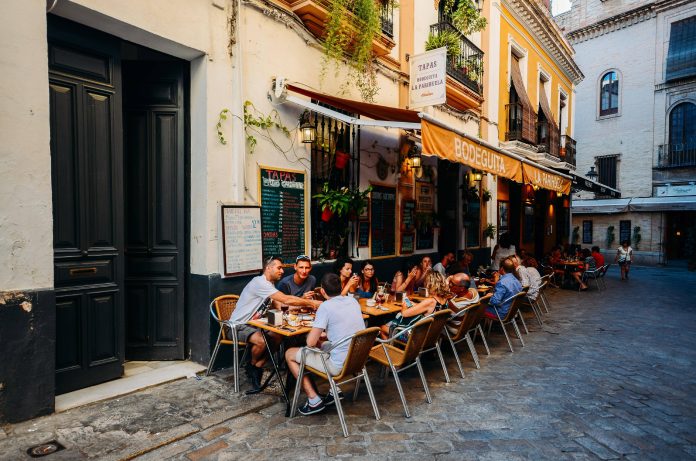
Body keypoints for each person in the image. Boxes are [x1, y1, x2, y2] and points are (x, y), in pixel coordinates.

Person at [231, 257, 322, 390]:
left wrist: (304, 307)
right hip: (237, 325)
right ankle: (251, 365)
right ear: (268, 268)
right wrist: (311, 303)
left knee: (279, 335)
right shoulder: (259, 283)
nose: (282, 271)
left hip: (255, 325)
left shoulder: (270, 285)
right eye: (279, 268)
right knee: (262, 341)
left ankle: (257, 366)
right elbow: (286, 299)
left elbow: (281, 306)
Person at [285, 273, 365, 415]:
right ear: (341, 287)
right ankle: (335, 391)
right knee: (321, 344)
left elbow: (310, 342)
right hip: (357, 359)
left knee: (289, 353)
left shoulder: (326, 307)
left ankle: (314, 400)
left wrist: (314, 332)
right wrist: (323, 335)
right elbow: (344, 328)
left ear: (322, 291)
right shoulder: (352, 301)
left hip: (338, 366)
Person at [380, 271, 451, 340]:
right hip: (432, 336)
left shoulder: (430, 301)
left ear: (430, 284)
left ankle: (391, 351)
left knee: (383, 328)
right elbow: (429, 309)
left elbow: (404, 314)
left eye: (426, 282)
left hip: (417, 338)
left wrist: (404, 305)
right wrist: (416, 304)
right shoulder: (445, 300)